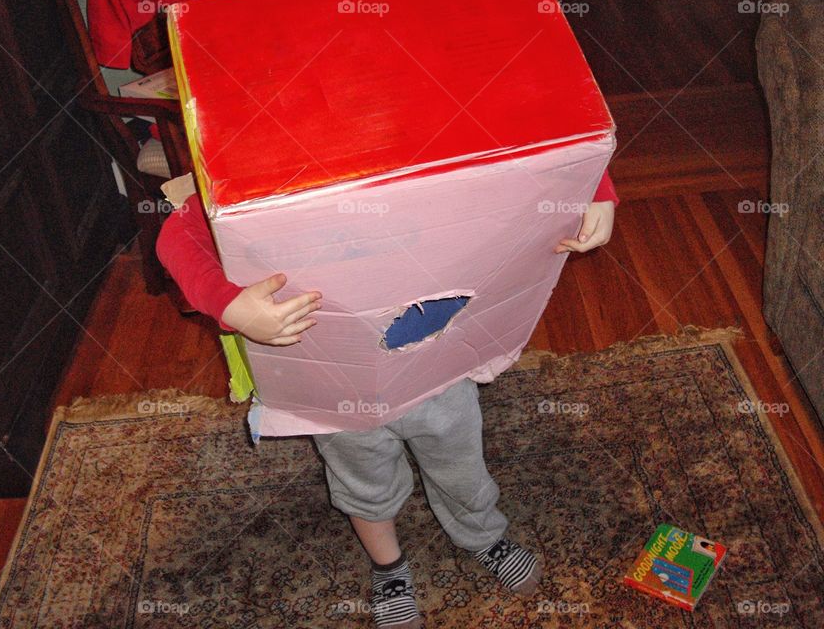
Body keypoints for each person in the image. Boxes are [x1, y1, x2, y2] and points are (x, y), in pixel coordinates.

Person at [157, 170, 618, 628]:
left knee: (460, 462)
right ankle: (388, 566)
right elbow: (180, 233)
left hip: (435, 366)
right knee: (364, 479)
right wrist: (229, 303)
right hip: (336, 384)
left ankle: (482, 537)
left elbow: (544, 135)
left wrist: (594, 189)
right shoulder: (264, 164)